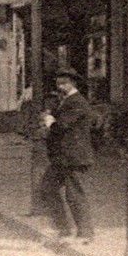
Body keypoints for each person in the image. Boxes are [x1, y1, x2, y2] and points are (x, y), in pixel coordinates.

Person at [40, 67, 96, 244]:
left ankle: (85, 233)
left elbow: (61, 126)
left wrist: (49, 121)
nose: (59, 85)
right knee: (47, 188)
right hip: (62, 157)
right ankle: (63, 229)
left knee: (75, 194)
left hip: (73, 157)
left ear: (72, 83)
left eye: (63, 82)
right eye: (58, 82)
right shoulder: (64, 101)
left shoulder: (77, 102)